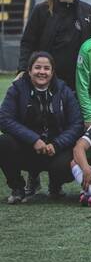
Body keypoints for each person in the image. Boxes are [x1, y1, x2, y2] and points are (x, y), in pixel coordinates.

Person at [0, 52, 83, 202]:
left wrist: (57, 144)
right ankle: (17, 188)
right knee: (4, 142)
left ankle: (55, 185)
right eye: (37, 67)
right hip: (27, 148)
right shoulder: (17, 89)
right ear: (29, 70)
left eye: (46, 68)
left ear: (52, 72)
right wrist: (33, 140)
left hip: (55, 150)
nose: (42, 72)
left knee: (72, 158)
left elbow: (77, 124)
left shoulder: (64, 90)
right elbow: (4, 119)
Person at [18, 0, 91, 90]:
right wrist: (22, 69)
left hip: (79, 80)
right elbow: (27, 42)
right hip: (47, 79)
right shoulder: (41, 10)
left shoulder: (87, 10)